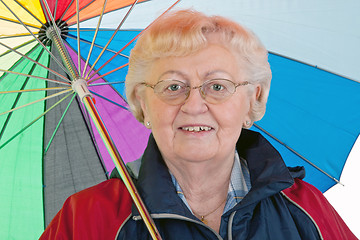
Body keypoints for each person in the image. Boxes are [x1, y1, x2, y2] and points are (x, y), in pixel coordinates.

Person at [40, 9, 357, 240]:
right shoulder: (84, 219)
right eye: (172, 87)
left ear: (251, 101)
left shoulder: (304, 208)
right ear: (142, 103)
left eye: (217, 86)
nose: (194, 105)